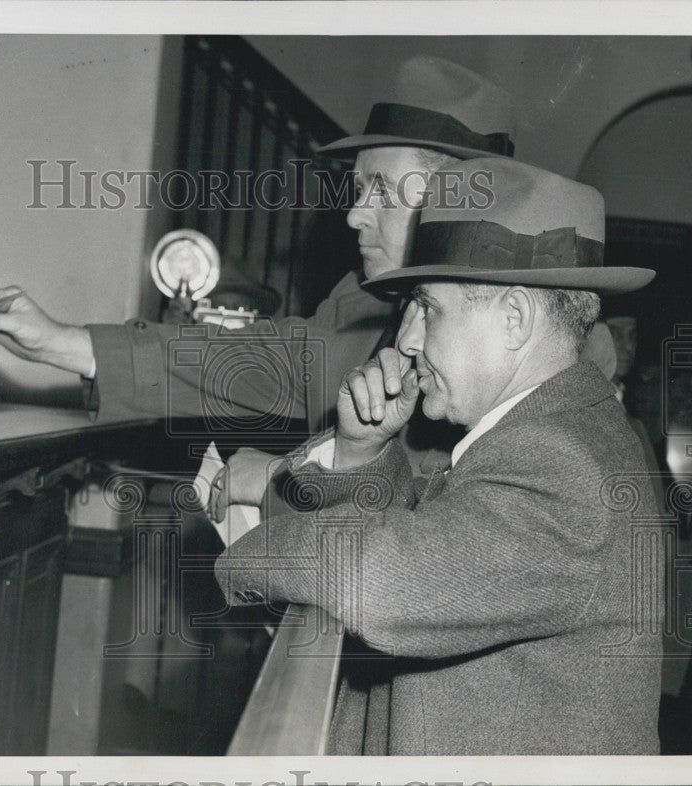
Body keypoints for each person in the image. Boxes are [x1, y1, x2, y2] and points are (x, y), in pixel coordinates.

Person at [214, 157, 663, 755]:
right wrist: (364, 452)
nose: (406, 339)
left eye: (428, 308)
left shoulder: (563, 461)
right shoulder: (545, 429)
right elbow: (437, 545)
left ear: (513, 319)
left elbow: (383, 582)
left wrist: (242, 551)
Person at [0, 56, 515, 435]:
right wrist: (63, 343)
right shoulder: (367, 305)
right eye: (357, 188)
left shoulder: (515, 342)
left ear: (457, 203)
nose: (352, 215)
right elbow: (252, 364)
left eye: (383, 192)